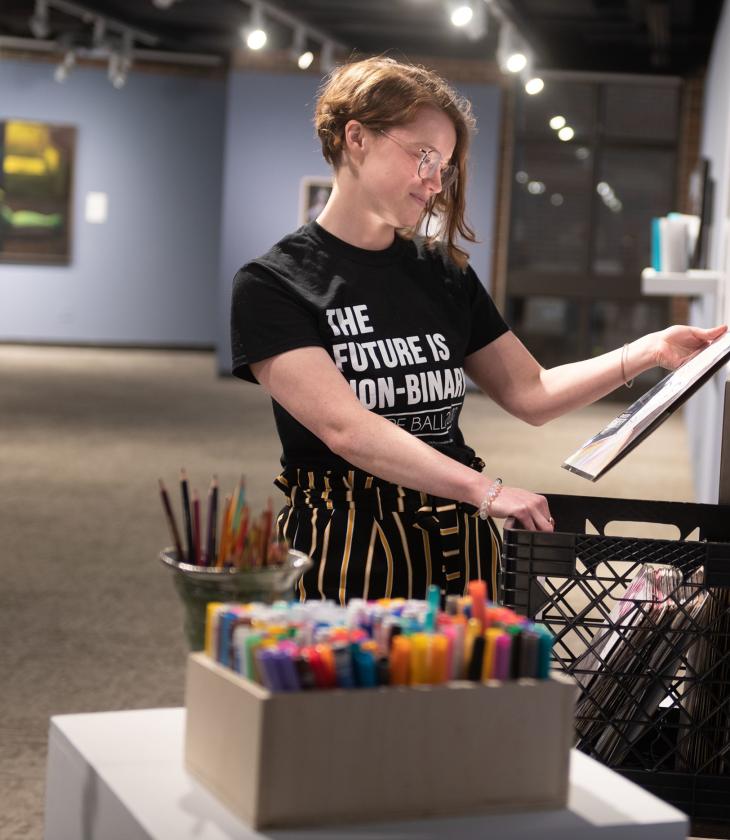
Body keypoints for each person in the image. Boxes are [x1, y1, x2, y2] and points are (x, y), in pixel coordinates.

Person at [230, 56, 725, 605]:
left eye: (443, 164)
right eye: (423, 156)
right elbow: (348, 430)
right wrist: (486, 491)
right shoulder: (273, 283)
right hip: (349, 547)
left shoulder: (441, 273)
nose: (434, 181)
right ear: (356, 137)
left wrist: (649, 350)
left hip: (456, 542)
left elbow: (531, 392)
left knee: (472, 689)